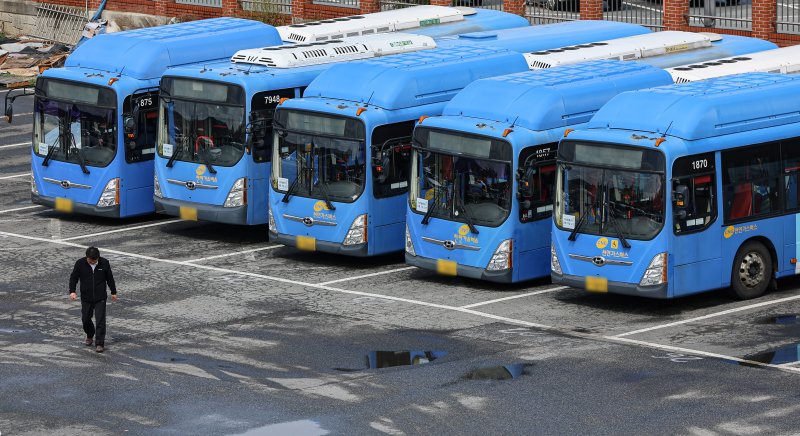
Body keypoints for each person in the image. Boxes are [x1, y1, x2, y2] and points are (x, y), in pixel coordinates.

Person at [69, 247, 118, 353]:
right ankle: (90, 334)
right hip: (86, 297)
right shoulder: (80, 263)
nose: (92, 262)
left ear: (98, 258)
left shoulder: (104, 263)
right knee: (85, 319)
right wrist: (72, 291)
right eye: (91, 260)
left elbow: (109, 278)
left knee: (100, 320)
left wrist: (113, 292)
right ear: (87, 257)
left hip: (100, 297)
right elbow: (74, 278)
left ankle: (100, 343)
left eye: (94, 260)